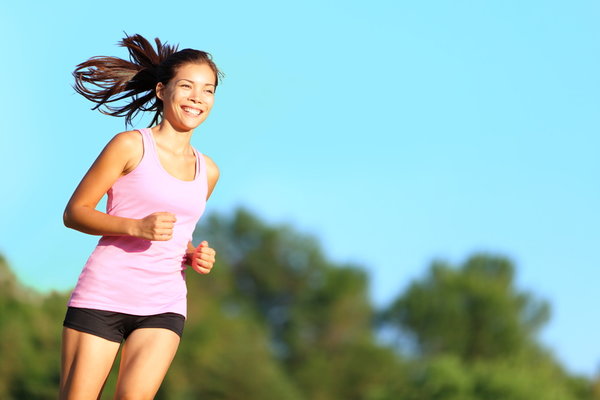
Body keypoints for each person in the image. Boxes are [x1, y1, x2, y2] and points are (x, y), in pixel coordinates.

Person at [60, 34, 221, 399]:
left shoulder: (208, 170)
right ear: (163, 90)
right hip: (104, 295)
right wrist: (135, 226)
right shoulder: (130, 145)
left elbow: (177, 234)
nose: (198, 98)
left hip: (164, 303)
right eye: (187, 86)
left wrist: (193, 253)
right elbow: (74, 213)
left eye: (208, 90)